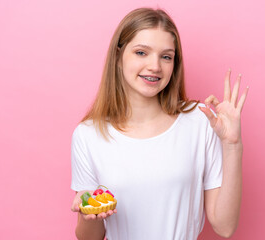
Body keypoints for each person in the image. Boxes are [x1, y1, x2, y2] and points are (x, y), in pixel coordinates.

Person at [70, 7, 249, 240]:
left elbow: (224, 227)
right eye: (141, 52)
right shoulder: (88, 135)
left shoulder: (199, 121)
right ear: (118, 57)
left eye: (166, 56)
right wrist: (89, 213)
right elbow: (89, 238)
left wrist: (233, 145)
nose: (155, 66)